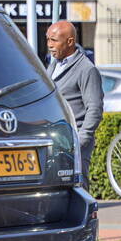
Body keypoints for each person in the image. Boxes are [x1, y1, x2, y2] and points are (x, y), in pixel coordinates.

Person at [45, 20, 103, 192]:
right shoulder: (54, 64)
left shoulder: (87, 69)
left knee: (78, 191)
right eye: (48, 39)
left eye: (54, 40)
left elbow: (95, 109)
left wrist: (80, 141)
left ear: (70, 42)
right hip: (55, 141)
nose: (49, 45)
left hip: (75, 144)